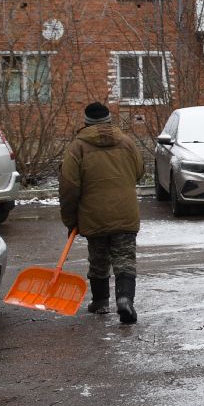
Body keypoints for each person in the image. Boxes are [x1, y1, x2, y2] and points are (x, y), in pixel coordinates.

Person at [59, 102, 145, 324]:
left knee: (98, 259)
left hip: (93, 215)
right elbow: (139, 172)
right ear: (109, 120)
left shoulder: (77, 147)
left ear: (86, 122)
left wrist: (70, 220)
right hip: (125, 213)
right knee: (125, 258)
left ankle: (100, 302)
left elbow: (69, 187)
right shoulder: (127, 143)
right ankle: (125, 299)